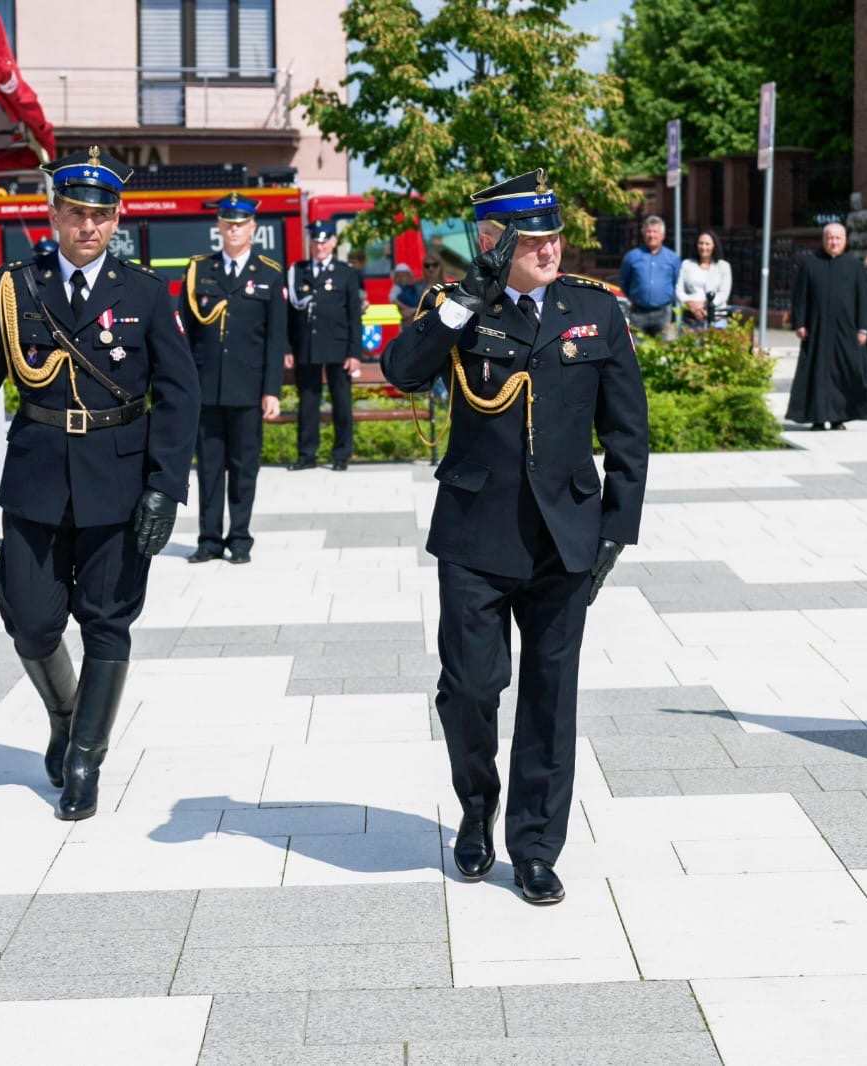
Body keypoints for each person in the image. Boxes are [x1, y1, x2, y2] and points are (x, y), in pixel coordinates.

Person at [382, 168, 649, 905]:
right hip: (476, 534)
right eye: (533, 240)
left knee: (550, 697)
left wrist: (616, 529)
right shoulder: (460, 305)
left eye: (554, 235)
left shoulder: (593, 309)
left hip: (565, 537)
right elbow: (402, 372)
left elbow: (628, 430)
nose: (550, 249)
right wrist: (463, 302)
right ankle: (477, 809)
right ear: (494, 240)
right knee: (471, 687)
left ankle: (534, 846)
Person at [0, 147, 200, 820]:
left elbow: (180, 395)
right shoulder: (18, 288)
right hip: (37, 478)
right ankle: (66, 715)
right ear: (54, 215)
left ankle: (85, 759)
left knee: (107, 620)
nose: (88, 227)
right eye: (75, 213)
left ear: (116, 219)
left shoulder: (144, 292)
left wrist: (164, 487)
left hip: (119, 481)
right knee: (30, 618)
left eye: (100, 215)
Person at [180, 193, 286, 565]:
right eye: (228, 223)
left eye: (240, 224)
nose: (234, 230)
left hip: (248, 389)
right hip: (207, 388)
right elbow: (185, 335)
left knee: (243, 468)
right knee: (209, 469)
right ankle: (209, 540)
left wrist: (271, 390)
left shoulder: (269, 272)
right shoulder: (199, 270)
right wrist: (185, 387)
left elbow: (275, 340)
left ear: (252, 228)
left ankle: (240, 538)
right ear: (219, 227)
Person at [285, 221, 362, 471]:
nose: (320, 247)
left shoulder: (345, 273)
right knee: (308, 403)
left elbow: (354, 317)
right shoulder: (298, 271)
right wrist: (287, 347)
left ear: (333, 243)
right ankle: (307, 455)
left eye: (324, 242)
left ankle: (341, 455)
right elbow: (289, 314)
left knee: (341, 403)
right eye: (316, 242)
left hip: (338, 347)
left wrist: (354, 353)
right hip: (307, 346)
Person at [787, 222, 867, 430]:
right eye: (829, 238)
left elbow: (863, 299)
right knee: (815, 373)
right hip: (816, 330)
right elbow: (800, 297)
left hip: (846, 331)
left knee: (843, 373)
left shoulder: (854, 266)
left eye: (837, 238)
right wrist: (800, 323)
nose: (833, 242)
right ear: (823, 240)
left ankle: (838, 418)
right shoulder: (810, 264)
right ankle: (817, 417)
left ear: (845, 240)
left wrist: (863, 328)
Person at [618, 215, 681, 338]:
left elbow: (676, 282)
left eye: (655, 232)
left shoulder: (673, 258)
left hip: (663, 314)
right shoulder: (632, 257)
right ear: (643, 234)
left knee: (665, 348)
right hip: (638, 313)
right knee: (637, 347)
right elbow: (624, 282)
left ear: (662, 235)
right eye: (648, 231)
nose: (652, 235)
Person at [676, 229, 732, 332]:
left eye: (707, 244)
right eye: (700, 243)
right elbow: (679, 291)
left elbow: (724, 294)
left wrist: (705, 305)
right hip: (691, 319)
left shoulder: (723, 266)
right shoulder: (686, 264)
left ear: (714, 246)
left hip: (716, 320)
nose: (703, 247)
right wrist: (691, 304)